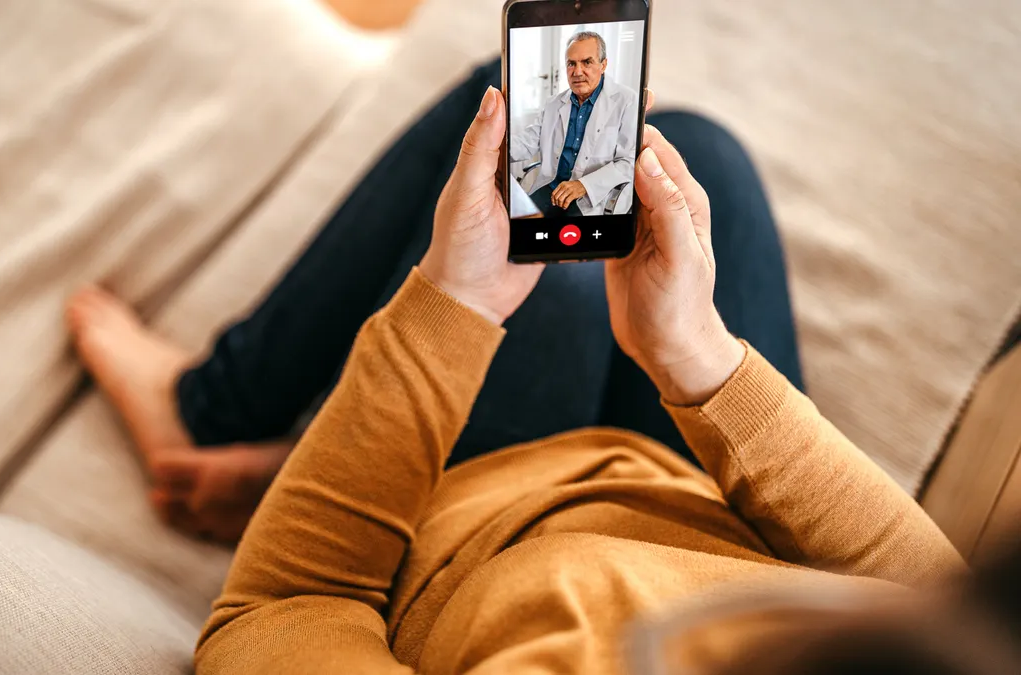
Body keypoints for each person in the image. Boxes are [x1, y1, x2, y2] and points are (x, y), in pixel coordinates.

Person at [65, 62, 966, 671]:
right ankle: (288, 461)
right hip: (711, 492)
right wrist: (697, 359)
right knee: (698, 159)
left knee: (531, 202)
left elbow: (281, 606)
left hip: (484, 513)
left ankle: (218, 411)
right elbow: (942, 604)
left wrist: (452, 306)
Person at [510, 31, 640, 218]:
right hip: (552, 188)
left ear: (603, 65)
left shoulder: (627, 100)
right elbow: (529, 140)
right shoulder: (554, 103)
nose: (577, 72)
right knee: (519, 224)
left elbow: (628, 162)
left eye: (587, 62)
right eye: (571, 64)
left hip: (592, 196)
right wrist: (494, 149)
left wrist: (583, 185)